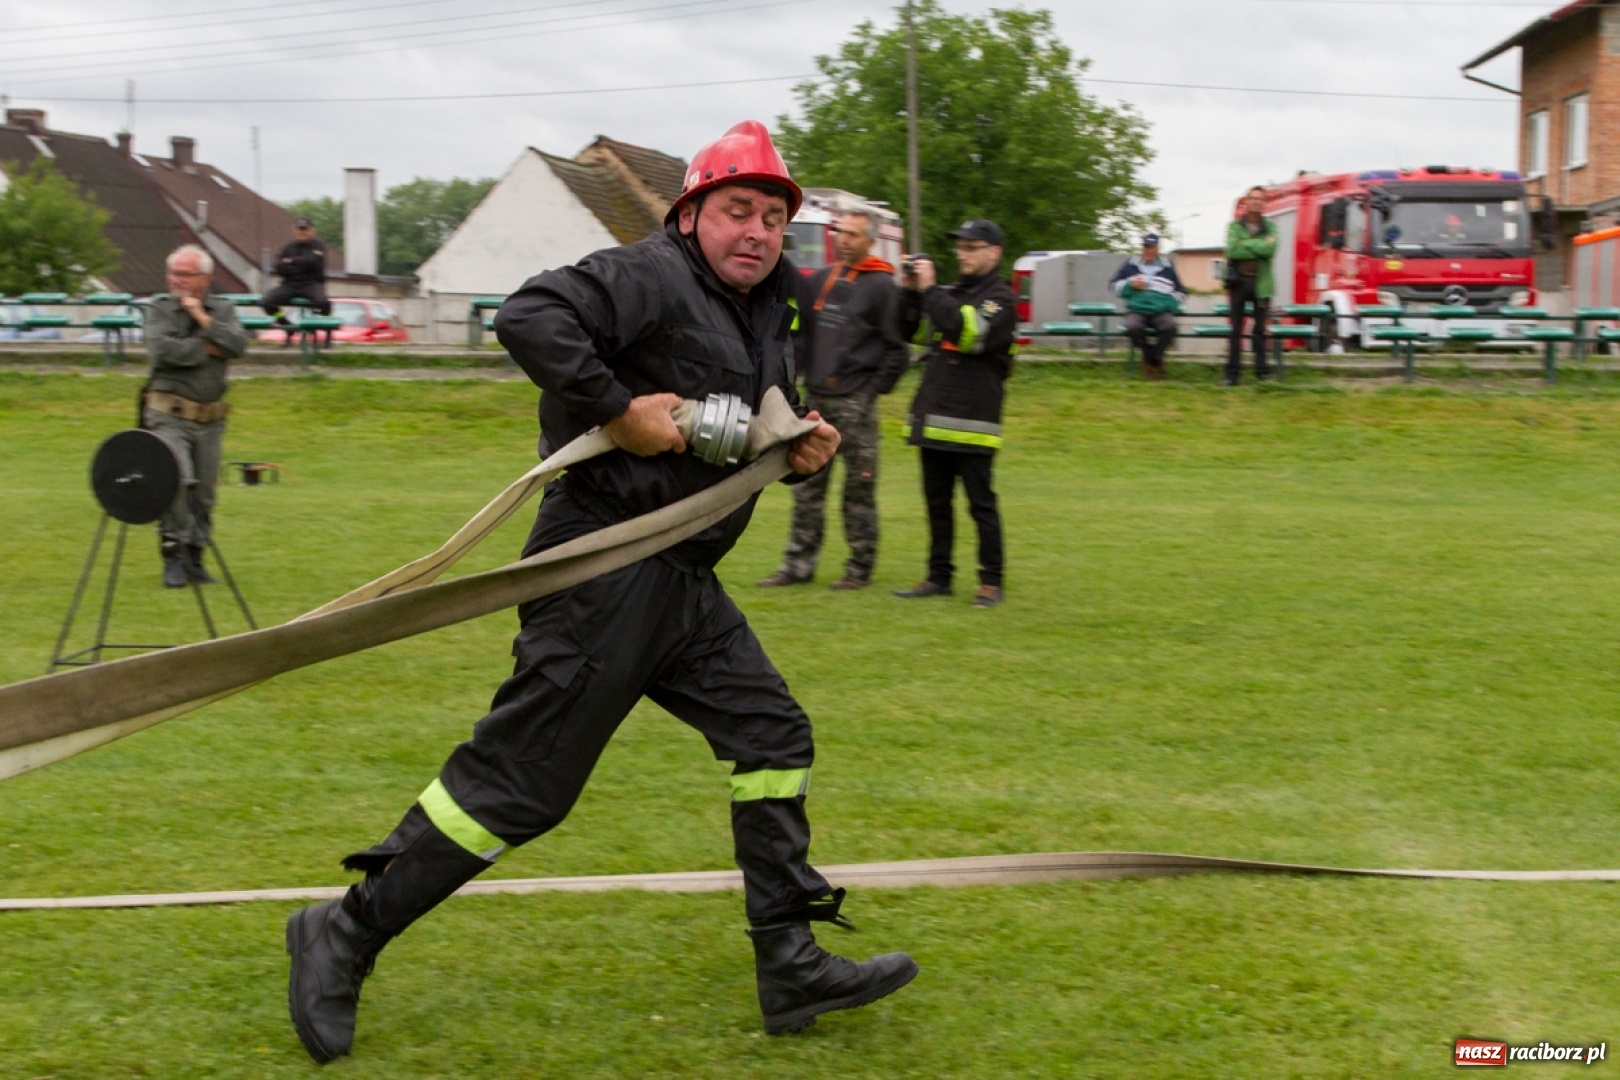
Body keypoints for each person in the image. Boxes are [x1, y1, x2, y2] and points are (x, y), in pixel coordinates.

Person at [283, 121, 918, 1065]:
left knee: (773, 736)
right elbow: (529, 317)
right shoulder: (647, 275)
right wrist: (618, 413)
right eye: (738, 210)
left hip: (687, 583)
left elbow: (733, 427)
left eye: (774, 218)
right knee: (519, 789)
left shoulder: (770, 306)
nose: (757, 232)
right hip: (602, 571)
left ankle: (788, 961)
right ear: (692, 212)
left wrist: (796, 452)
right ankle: (344, 931)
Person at [758, 209, 909, 590]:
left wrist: (872, 390)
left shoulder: (881, 287)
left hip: (856, 401)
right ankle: (797, 565)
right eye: (840, 233)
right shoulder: (822, 278)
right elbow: (800, 332)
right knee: (807, 484)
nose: (844, 240)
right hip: (817, 400)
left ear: (870, 241)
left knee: (858, 489)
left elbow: (897, 349)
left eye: (853, 235)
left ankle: (859, 568)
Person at [891, 220, 1017, 609]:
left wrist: (930, 291)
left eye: (972, 247)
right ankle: (938, 576)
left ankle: (990, 582)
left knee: (981, 505)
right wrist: (911, 295)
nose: (962, 254)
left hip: (974, 421)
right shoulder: (950, 293)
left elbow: (968, 333)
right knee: (936, 503)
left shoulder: (1000, 300)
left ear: (993, 252)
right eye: (959, 247)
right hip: (936, 416)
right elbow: (906, 332)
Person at [142, 244, 249, 588]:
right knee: (176, 480)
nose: (178, 281)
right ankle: (172, 557)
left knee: (203, 493)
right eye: (173, 274)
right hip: (168, 414)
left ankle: (196, 557)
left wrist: (203, 319)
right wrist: (208, 347)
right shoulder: (159, 310)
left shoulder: (223, 308)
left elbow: (238, 346)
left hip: (210, 419)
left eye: (186, 275)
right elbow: (163, 350)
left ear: (205, 278)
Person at [1110, 232, 1185, 380]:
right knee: (1132, 326)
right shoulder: (1130, 265)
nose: (1148, 251)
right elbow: (1113, 286)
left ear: (1157, 249)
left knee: (1170, 326)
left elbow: (1181, 292)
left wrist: (1167, 303)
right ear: (1142, 248)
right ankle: (1151, 357)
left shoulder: (1168, 267)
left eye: (1151, 247)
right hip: (1137, 309)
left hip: (1161, 310)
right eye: (1145, 247)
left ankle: (1153, 359)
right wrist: (1130, 285)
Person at [1223, 186, 1279, 384]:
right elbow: (1232, 251)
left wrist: (1245, 243)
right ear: (1246, 201)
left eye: (1260, 199)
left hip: (1261, 284)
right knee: (1236, 331)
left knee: (1260, 331)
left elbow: (1270, 250)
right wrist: (1259, 246)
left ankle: (1262, 373)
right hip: (1238, 283)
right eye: (1252, 198)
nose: (1256, 201)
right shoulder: (1234, 226)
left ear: (1265, 203)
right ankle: (1232, 376)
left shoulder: (1271, 227)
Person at [261, 217, 332, 338]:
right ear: (295, 231)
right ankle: (287, 326)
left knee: (323, 303)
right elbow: (278, 266)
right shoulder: (288, 247)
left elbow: (314, 263)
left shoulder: (318, 246)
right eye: (299, 229)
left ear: (312, 231)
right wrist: (299, 266)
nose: (302, 232)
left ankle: (327, 330)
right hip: (289, 284)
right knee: (266, 301)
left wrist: (291, 261)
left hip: (312, 284)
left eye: (305, 229)